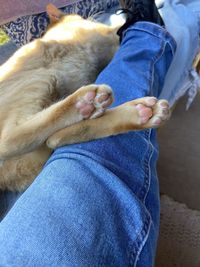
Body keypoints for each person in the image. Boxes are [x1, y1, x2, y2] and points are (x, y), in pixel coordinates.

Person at [0, 0, 199, 266]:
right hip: (18, 144)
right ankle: (144, 32)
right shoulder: (63, 31)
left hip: (23, 168)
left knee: (57, 151)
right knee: (52, 73)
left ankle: (145, 35)